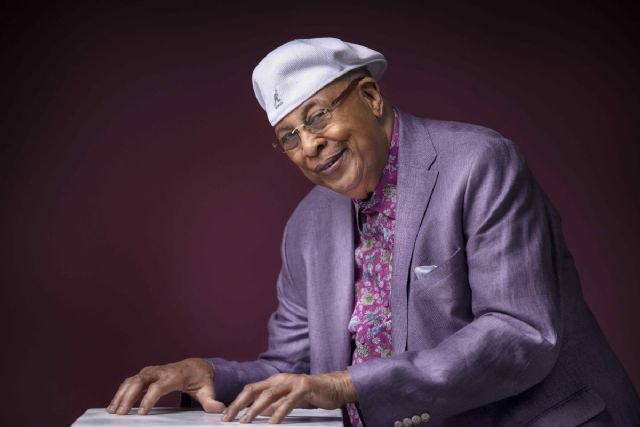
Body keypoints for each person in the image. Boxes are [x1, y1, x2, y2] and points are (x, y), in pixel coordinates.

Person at [107, 38, 640, 426]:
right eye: (288, 136)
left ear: (370, 96)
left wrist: (346, 385)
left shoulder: (480, 163)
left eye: (317, 117)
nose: (308, 146)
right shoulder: (306, 227)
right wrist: (211, 375)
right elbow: (295, 370)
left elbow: (518, 332)